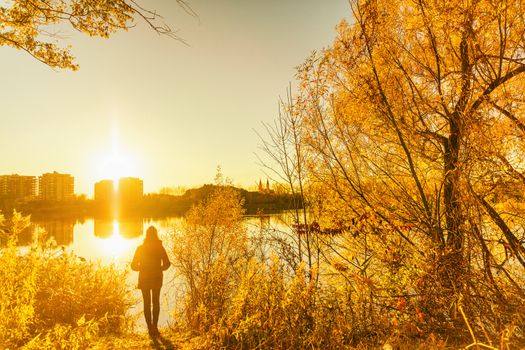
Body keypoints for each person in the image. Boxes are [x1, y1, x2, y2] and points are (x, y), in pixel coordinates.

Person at [131, 225, 171, 335]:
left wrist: (142, 268)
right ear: (156, 235)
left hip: (144, 278)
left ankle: (149, 329)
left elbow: (133, 266)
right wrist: (159, 269)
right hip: (157, 277)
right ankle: (155, 328)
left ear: (146, 235)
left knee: (147, 303)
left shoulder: (140, 248)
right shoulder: (160, 247)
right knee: (156, 302)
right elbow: (167, 264)